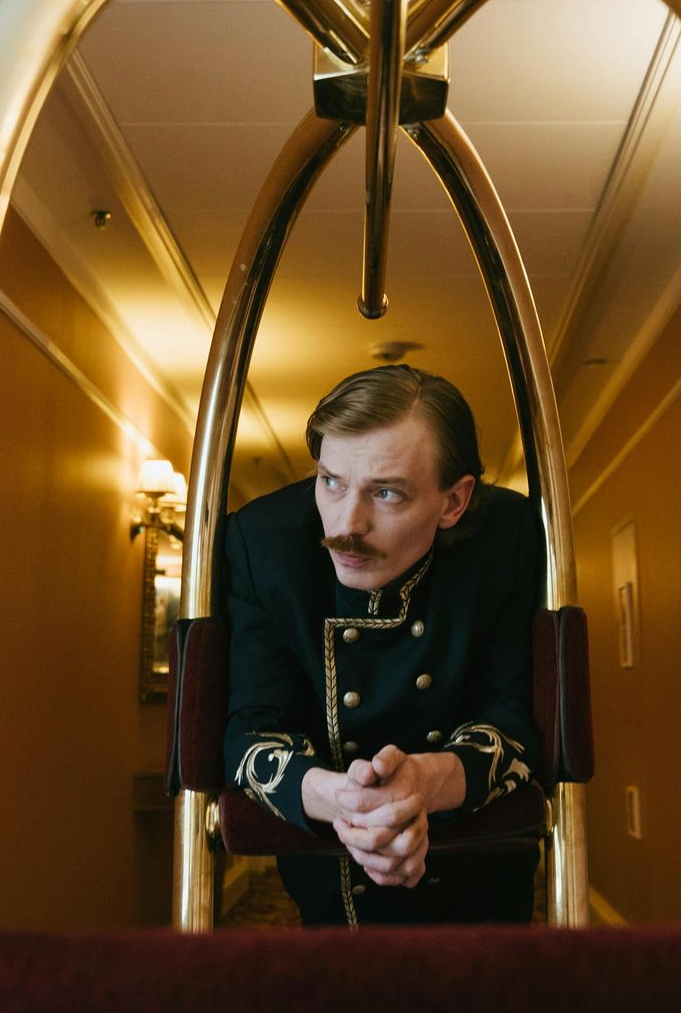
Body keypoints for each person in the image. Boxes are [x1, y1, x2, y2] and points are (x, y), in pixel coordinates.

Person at [222, 364, 543, 927]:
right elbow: (251, 726)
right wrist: (344, 801)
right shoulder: (262, 545)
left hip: (483, 873)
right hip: (324, 872)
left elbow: (513, 716)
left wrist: (424, 782)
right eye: (330, 481)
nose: (346, 525)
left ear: (454, 502)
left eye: (387, 492)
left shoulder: (508, 539)